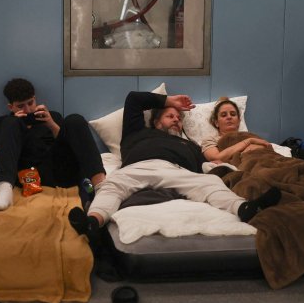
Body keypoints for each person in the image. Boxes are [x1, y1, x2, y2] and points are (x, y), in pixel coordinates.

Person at [71, 91, 282, 242]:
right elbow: (134, 99)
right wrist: (170, 101)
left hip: (176, 171)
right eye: (170, 116)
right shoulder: (136, 132)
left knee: (210, 182)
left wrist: (217, 166)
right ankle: (92, 222)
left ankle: (244, 208)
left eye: (179, 118)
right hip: (136, 168)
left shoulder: (190, 145)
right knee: (111, 186)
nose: (176, 120)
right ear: (156, 122)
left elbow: (206, 166)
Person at [0, 78, 106, 211]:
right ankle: (4, 191)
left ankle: (101, 187)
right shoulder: (2, 124)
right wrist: (9, 138)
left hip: (58, 170)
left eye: (30, 103)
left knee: (75, 120)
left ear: (35, 99)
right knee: (10, 123)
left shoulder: (52, 117)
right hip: (25, 174)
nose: (28, 110)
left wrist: (51, 125)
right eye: (20, 106)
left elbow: (71, 150)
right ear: (11, 107)